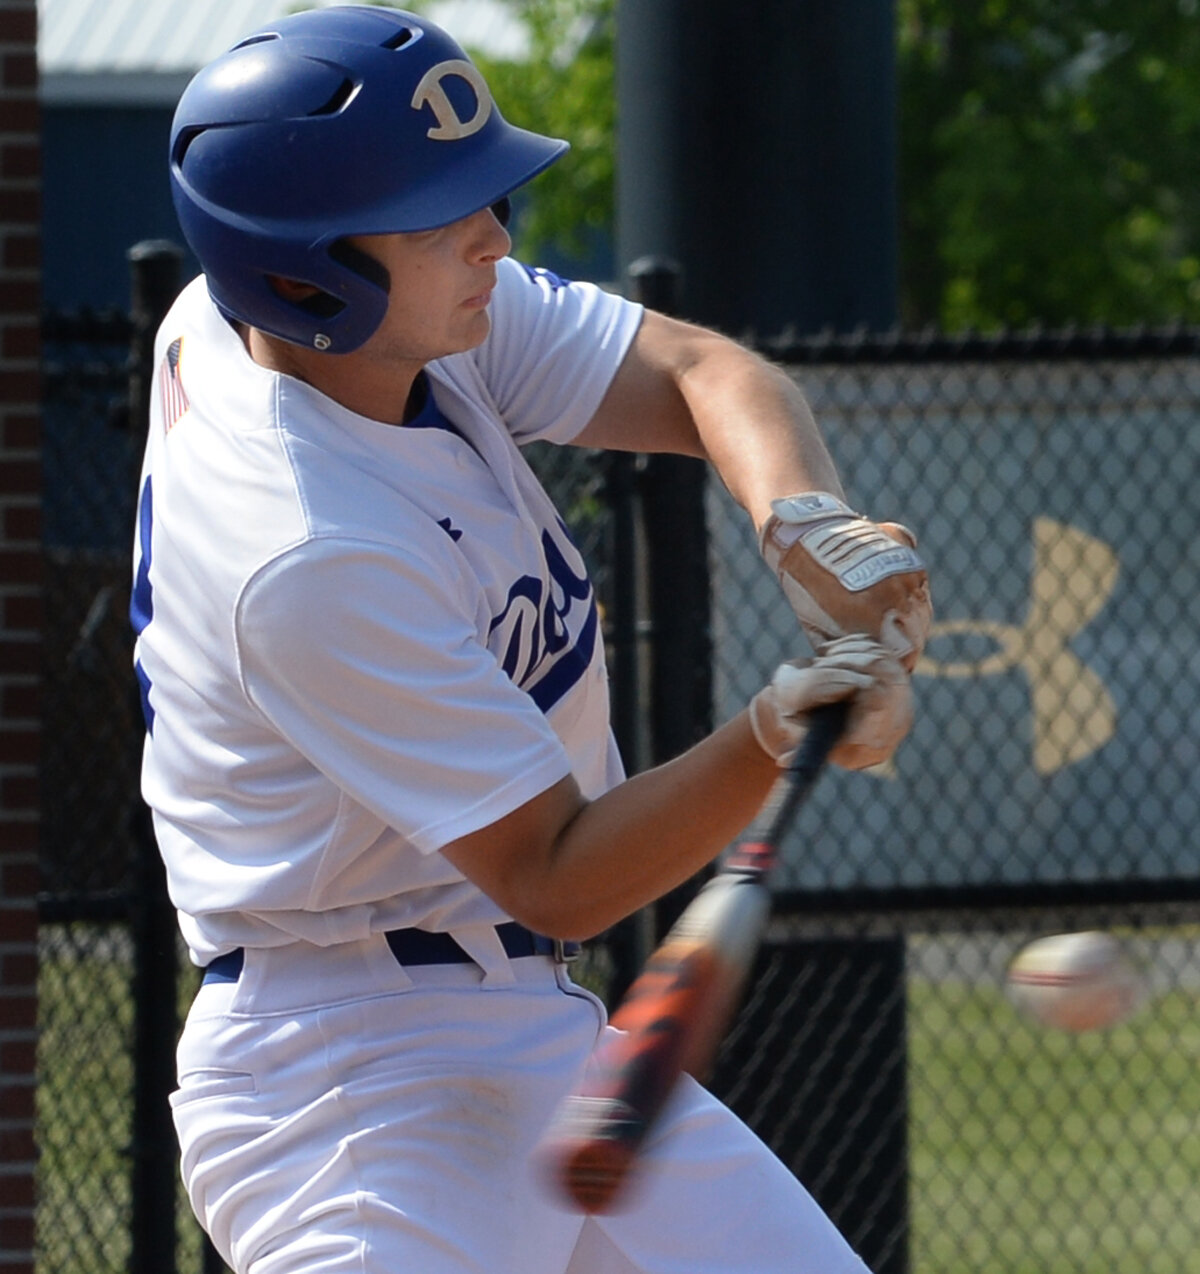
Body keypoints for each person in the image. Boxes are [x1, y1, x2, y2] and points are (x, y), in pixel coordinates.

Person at [131, 7, 932, 1273]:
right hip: (348, 1084)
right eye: (442, 211)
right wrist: (780, 726)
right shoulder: (309, 547)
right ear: (307, 271)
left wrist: (804, 525)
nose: (493, 238)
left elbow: (697, 368)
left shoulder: (362, 326)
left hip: (523, 1029)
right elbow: (557, 866)